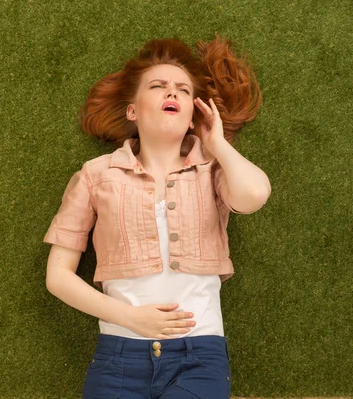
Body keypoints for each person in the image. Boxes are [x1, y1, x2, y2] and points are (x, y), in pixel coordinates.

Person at [43, 36, 271, 399]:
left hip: (200, 355)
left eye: (183, 90)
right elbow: (57, 276)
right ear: (133, 110)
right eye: (158, 86)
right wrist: (132, 319)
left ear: (192, 112)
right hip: (118, 356)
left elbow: (255, 195)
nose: (173, 93)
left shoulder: (214, 170)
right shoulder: (95, 175)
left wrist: (218, 144)